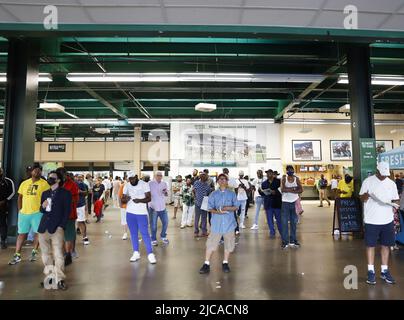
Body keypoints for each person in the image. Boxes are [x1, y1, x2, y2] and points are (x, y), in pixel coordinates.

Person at [359, 162, 399, 285]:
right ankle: (371, 271)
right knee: (370, 245)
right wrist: (367, 195)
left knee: (386, 245)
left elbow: (396, 198)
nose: (384, 177)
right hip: (372, 219)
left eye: (386, 174)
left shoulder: (391, 183)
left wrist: (394, 205)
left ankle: (384, 270)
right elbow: (361, 197)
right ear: (377, 171)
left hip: (387, 219)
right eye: (382, 174)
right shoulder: (368, 181)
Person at [9, 167, 50, 265]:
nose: (37, 171)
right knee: (22, 234)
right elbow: (20, 197)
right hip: (24, 213)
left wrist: (45, 210)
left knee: (38, 233)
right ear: (31, 172)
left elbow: (48, 198)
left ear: (41, 173)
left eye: (39, 170)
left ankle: (34, 252)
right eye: (35, 170)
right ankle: (17, 255)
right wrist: (20, 210)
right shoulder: (24, 183)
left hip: (37, 213)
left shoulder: (44, 184)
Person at [199, 173, 239, 274]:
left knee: (228, 244)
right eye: (220, 179)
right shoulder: (213, 194)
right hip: (216, 224)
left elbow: (236, 206)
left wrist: (226, 208)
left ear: (227, 181)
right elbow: (209, 208)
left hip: (229, 224)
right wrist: (218, 212)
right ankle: (206, 264)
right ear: (217, 181)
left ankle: (225, 262)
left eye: (224, 179)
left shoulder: (232, 194)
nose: (222, 180)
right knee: (211, 244)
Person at [38, 171, 71, 290]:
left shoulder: (66, 194)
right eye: (49, 177)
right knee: (45, 254)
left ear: (58, 180)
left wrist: (61, 226)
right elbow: (41, 210)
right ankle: (50, 277)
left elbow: (67, 211)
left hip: (57, 227)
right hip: (43, 227)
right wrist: (42, 206)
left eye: (52, 178)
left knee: (58, 254)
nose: (49, 179)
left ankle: (60, 279)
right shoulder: (44, 193)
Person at [122, 172, 156, 264]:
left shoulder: (144, 184)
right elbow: (122, 200)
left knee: (145, 233)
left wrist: (139, 200)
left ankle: (150, 254)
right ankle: (136, 252)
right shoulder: (127, 186)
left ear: (136, 177)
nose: (131, 180)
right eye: (130, 179)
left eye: (133, 178)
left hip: (141, 213)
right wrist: (126, 199)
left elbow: (149, 198)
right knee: (133, 234)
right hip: (130, 213)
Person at [56, 167, 79, 266]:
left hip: (69, 215)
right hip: (57, 215)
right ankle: (62, 255)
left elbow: (75, 199)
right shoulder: (54, 184)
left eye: (63, 174)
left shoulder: (72, 184)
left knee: (68, 236)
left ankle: (68, 254)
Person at [280, 165, 303, 249]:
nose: (290, 171)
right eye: (289, 170)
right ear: (286, 171)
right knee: (284, 223)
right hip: (285, 202)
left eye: (292, 170)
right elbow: (282, 189)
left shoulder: (296, 179)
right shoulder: (283, 179)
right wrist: (294, 189)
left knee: (294, 222)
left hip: (294, 202)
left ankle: (293, 240)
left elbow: (301, 190)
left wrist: (289, 189)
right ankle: (285, 241)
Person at [149, 172, 169, 246]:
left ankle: (163, 235)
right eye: (158, 175)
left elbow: (166, 194)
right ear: (155, 176)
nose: (159, 177)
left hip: (162, 207)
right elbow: (147, 194)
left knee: (166, 223)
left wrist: (165, 192)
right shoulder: (150, 183)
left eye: (161, 175)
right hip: (153, 208)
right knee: (153, 225)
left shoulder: (164, 184)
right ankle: (153, 238)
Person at [262, 169, 282, 238]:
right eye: (267, 173)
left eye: (270, 173)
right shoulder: (264, 183)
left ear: (273, 174)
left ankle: (281, 231)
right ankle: (272, 232)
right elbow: (262, 193)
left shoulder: (278, 182)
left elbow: (282, 191)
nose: (268, 175)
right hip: (268, 204)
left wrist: (275, 192)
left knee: (279, 219)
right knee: (269, 220)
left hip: (277, 204)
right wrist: (260, 191)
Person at [193, 171, 212, 237]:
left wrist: (196, 196)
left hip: (199, 202)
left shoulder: (196, 183)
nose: (205, 178)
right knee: (203, 218)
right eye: (204, 177)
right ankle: (203, 231)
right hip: (203, 202)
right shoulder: (206, 185)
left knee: (197, 218)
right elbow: (209, 193)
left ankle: (197, 232)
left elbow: (194, 190)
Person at [0, 168, 15, 249]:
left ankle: (3, 241)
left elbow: (12, 192)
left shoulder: (8, 181)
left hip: (3, 206)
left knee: (2, 223)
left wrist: (5, 200)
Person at [76, 175, 89, 245]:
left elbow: (86, 193)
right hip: (70, 205)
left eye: (80, 177)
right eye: (78, 177)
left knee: (81, 221)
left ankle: (85, 237)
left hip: (80, 205)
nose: (79, 178)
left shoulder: (82, 184)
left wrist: (79, 191)